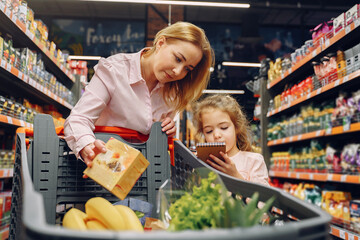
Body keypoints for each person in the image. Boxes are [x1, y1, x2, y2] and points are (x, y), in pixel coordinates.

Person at [64, 21, 214, 167]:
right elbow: (78, 119)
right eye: (177, 59)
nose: (178, 71)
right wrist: (88, 147)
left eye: (187, 69)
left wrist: (166, 132)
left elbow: (153, 136)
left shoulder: (173, 91)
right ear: (161, 43)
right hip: (101, 166)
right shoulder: (114, 70)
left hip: (142, 176)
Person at [192, 94, 269, 186]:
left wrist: (236, 176)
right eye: (209, 131)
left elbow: (262, 200)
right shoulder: (203, 164)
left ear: (237, 127)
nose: (216, 135)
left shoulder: (254, 161)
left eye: (224, 128)